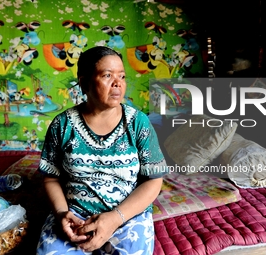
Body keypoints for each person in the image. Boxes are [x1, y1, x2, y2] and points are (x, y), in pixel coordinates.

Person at [36, 46, 167, 255]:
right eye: (107, 75)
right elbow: (51, 177)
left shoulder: (138, 123)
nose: (118, 83)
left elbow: (153, 180)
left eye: (122, 76)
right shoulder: (62, 125)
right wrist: (62, 213)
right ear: (84, 82)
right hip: (74, 215)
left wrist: (115, 218)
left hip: (126, 215)